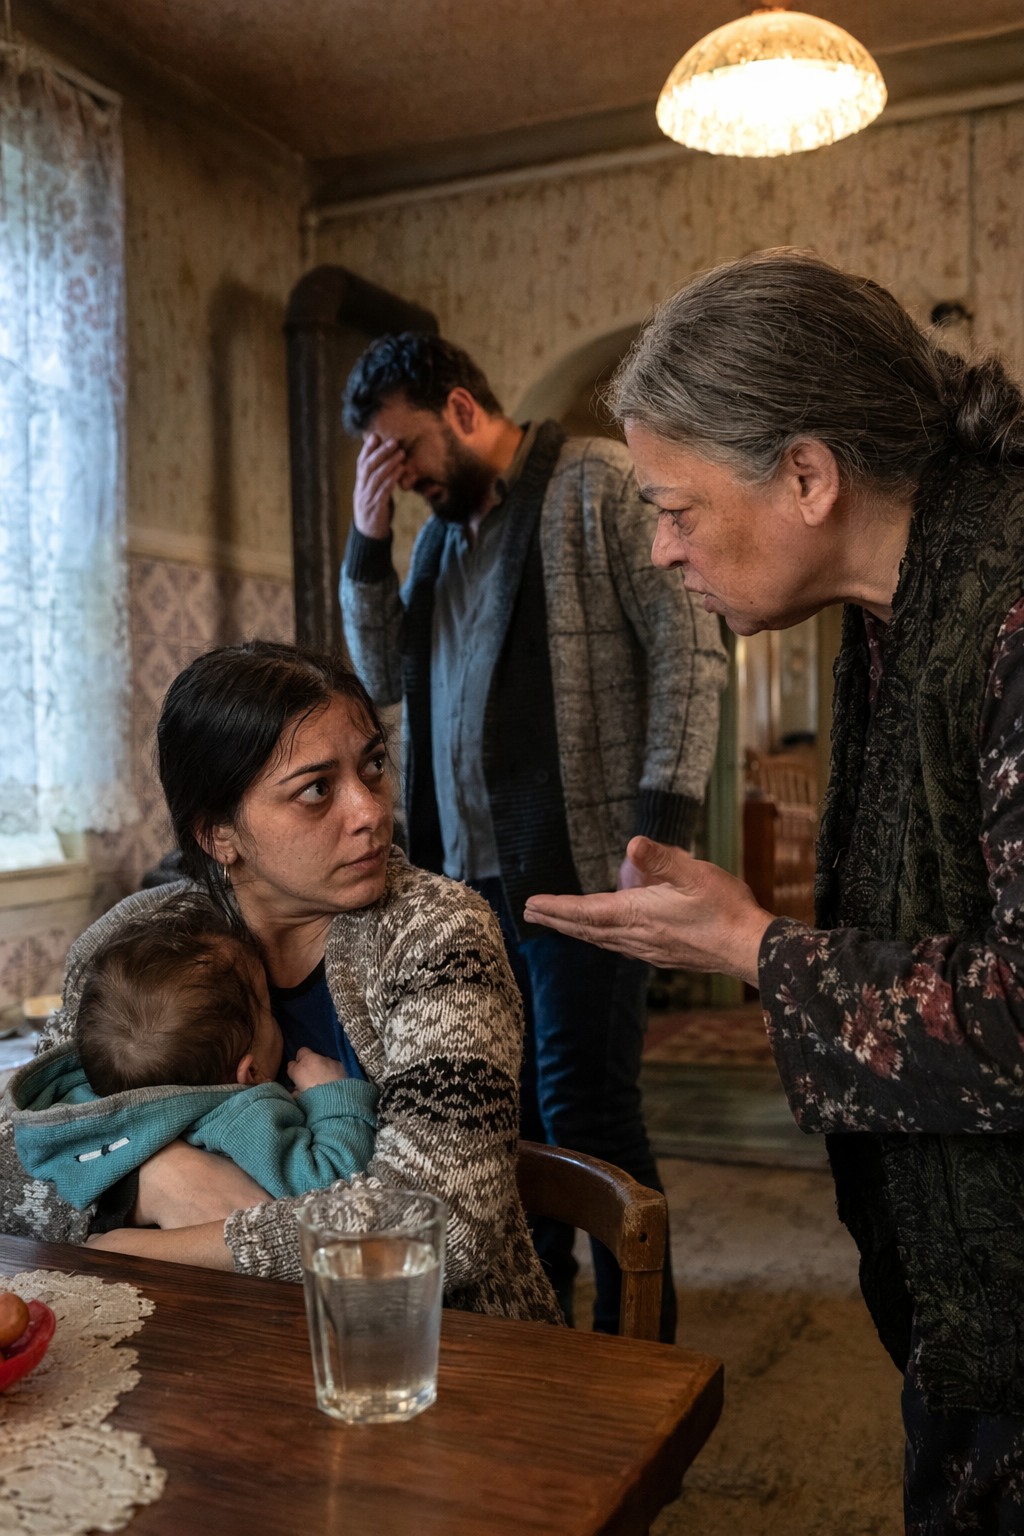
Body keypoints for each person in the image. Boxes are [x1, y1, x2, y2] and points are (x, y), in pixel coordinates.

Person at [524, 248, 1024, 1528]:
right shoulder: (900, 603)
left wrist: (755, 948)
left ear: (806, 476)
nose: (660, 548)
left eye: (675, 506)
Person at [340, 331, 727, 1339]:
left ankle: (637, 1348)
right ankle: (539, 1323)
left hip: (588, 868)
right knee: (506, 1114)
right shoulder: (436, 542)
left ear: (464, 410)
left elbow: (689, 650)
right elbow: (379, 675)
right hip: (467, 884)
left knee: (586, 1106)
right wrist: (367, 539)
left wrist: (656, 834)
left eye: (405, 449)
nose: (402, 474)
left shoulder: (597, 485)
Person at [0, 640, 562, 1327]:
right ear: (219, 834)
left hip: (433, 1345)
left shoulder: (437, 934)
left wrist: (175, 1242)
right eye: (316, 789)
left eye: (373, 766)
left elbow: (444, 1225)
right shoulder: (133, 943)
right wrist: (155, 1181)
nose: (370, 811)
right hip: (205, 1338)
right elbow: (14, 1161)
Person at [9, 895, 378, 1206]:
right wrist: (333, 1096)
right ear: (251, 1073)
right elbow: (330, 1189)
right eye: (269, 1008)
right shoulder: (244, 1118)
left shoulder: (86, 1105)